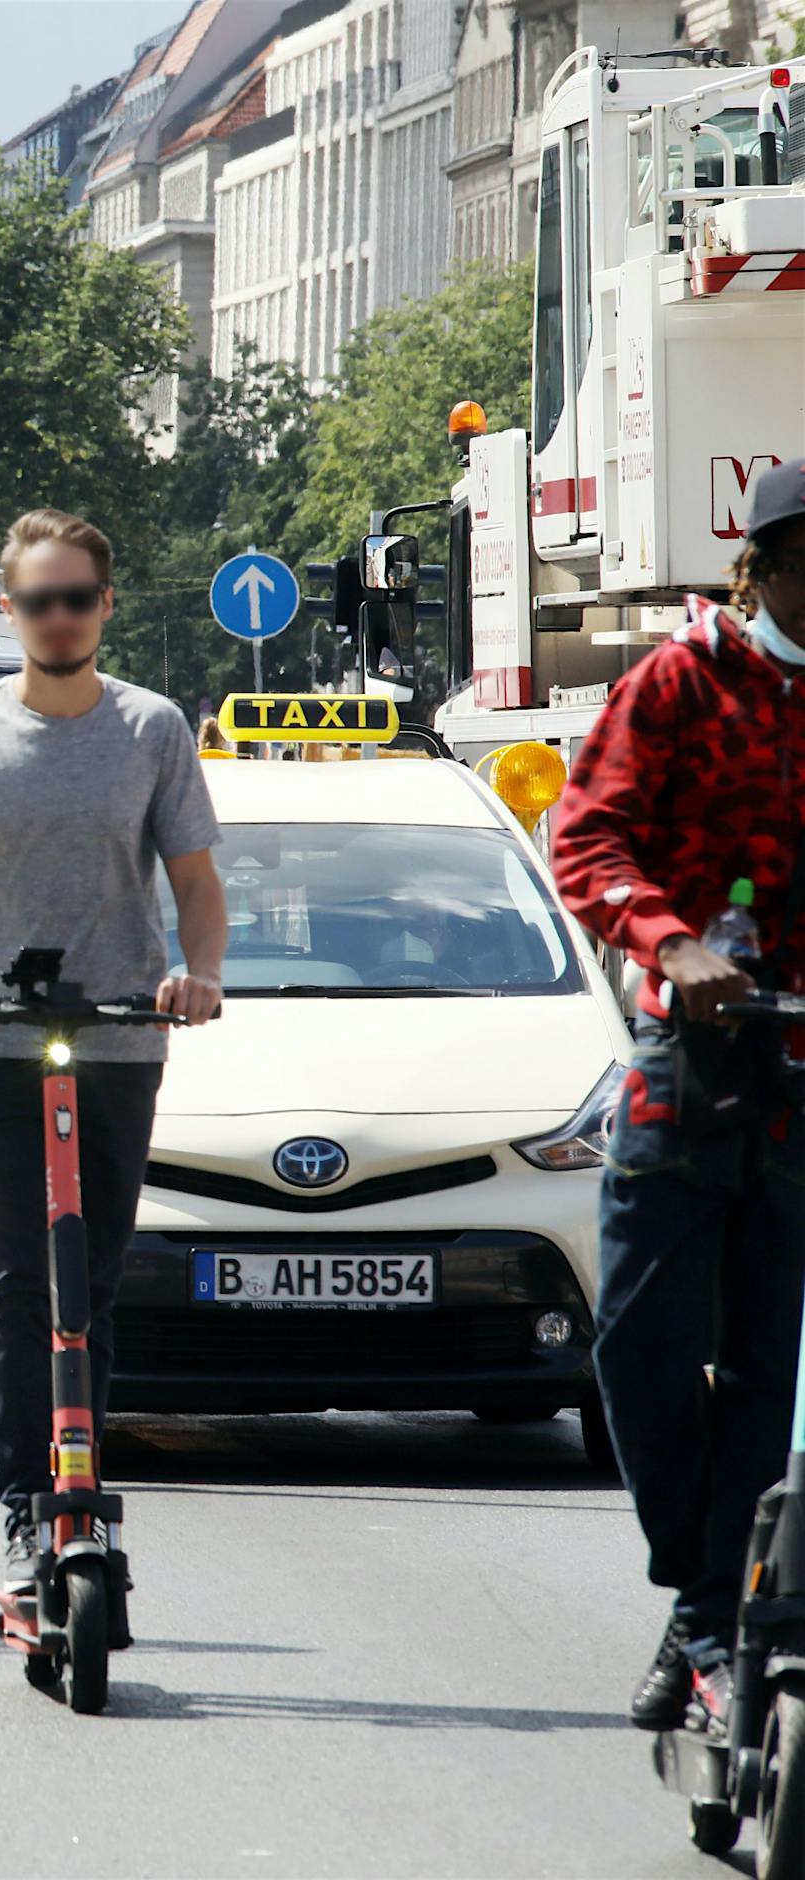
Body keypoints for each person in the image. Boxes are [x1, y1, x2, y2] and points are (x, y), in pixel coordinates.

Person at [0, 507, 228, 1585]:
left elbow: (196, 883)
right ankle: (28, 1506)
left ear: (104, 606)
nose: (56, 617)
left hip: (114, 1042)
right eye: (35, 600)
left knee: (90, 1278)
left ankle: (83, 1491)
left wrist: (196, 976)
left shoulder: (152, 728)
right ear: (8, 608)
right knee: (22, 1278)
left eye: (75, 598)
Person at [553, 454, 805, 1733]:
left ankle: (725, 1615)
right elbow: (583, 836)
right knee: (643, 1344)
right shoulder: (677, 680)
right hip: (693, 1061)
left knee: (772, 1363)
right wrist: (668, 939)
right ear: (755, 569)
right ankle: (700, 1590)